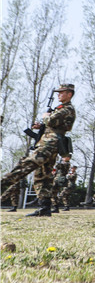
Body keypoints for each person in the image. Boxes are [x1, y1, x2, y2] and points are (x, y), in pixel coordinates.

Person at [2, 84, 77, 217]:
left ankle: (3, 182)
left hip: (50, 143)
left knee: (28, 164)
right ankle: (45, 207)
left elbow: (52, 120)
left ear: (69, 94)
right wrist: (41, 126)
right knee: (42, 175)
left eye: (61, 92)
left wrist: (45, 116)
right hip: (49, 141)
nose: (58, 95)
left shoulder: (67, 109)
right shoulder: (61, 109)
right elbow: (52, 124)